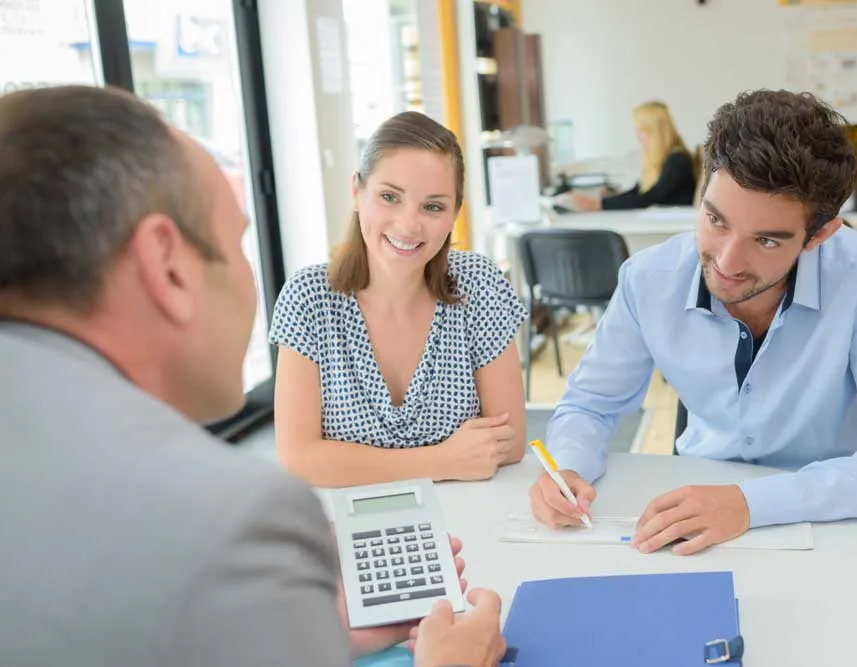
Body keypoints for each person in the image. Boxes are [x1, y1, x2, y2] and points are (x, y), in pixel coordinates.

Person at [0, 85, 506, 667]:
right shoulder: (237, 524)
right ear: (166, 266)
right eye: (238, 242)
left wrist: (318, 634)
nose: (251, 277)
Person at [529, 90, 857, 555]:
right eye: (716, 220)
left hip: (833, 516)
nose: (727, 262)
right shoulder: (649, 279)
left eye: (766, 241)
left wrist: (750, 505)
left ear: (821, 235)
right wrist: (567, 469)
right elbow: (589, 405)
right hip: (699, 509)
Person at [269, 111, 528, 488]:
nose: (409, 225)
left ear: (454, 213)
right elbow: (299, 458)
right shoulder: (308, 298)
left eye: (433, 206)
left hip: (468, 513)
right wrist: (441, 461)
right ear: (357, 192)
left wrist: (351, 463)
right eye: (390, 197)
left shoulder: (478, 283)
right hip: (350, 524)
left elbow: (509, 443)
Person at [567, 101, 696, 211]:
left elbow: (648, 198)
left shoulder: (678, 160)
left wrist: (598, 205)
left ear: (655, 132)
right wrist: (601, 201)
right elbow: (637, 191)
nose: (638, 136)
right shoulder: (662, 160)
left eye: (641, 131)